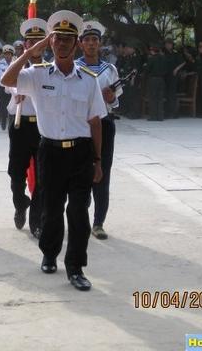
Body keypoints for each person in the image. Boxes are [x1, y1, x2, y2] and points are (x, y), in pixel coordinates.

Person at [1, 10, 105, 291]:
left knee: (80, 212)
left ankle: (75, 268)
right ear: (51, 42)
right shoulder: (37, 74)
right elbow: (7, 81)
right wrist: (29, 52)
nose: (62, 44)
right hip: (51, 151)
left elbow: (95, 123)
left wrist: (97, 160)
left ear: (77, 44)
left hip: (81, 152)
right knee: (52, 207)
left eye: (68, 39)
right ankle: (49, 253)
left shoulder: (88, 79)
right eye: (57, 39)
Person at [75, 21, 121, 240]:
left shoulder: (109, 69)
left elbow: (116, 99)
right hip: (80, 125)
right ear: (80, 44)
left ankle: (99, 222)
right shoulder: (74, 68)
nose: (91, 44)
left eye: (95, 40)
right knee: (80, 172)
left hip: (104, 123)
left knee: (102, 170)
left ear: (100, 44)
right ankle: (79, 218)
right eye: (87, 40)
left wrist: (110, 97)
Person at [4, 18, 48, 239]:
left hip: (42, 127)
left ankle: (37, 221)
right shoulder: (17, 64)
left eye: (40, 41)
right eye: (32, 42)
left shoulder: (51, 68)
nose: (36, 46)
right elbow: (9, 82)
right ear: (25, 44)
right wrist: (17, 90)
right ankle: (20, 203)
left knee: (42, 176)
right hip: (20, 125)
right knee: (16, 173)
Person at [163, 38, 185, 119]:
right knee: (166, 95)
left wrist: (176, 69)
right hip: (165, 77)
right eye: (167, 44)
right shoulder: (163, 53)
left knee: (172, 95)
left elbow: (183, 62)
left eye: (170, 44)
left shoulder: (175, 54)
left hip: (173, 77)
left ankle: (174, 113)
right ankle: (167, 112)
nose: (168, 45)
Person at [144, 42, 166, 121]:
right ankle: (160, 116)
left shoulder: (152, 59)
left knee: (153, 98)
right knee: (160, 98)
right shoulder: (163, 58)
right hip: (161, 79)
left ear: (152, 50)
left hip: (153, 80)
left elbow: (147, 69)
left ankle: (153, 116)